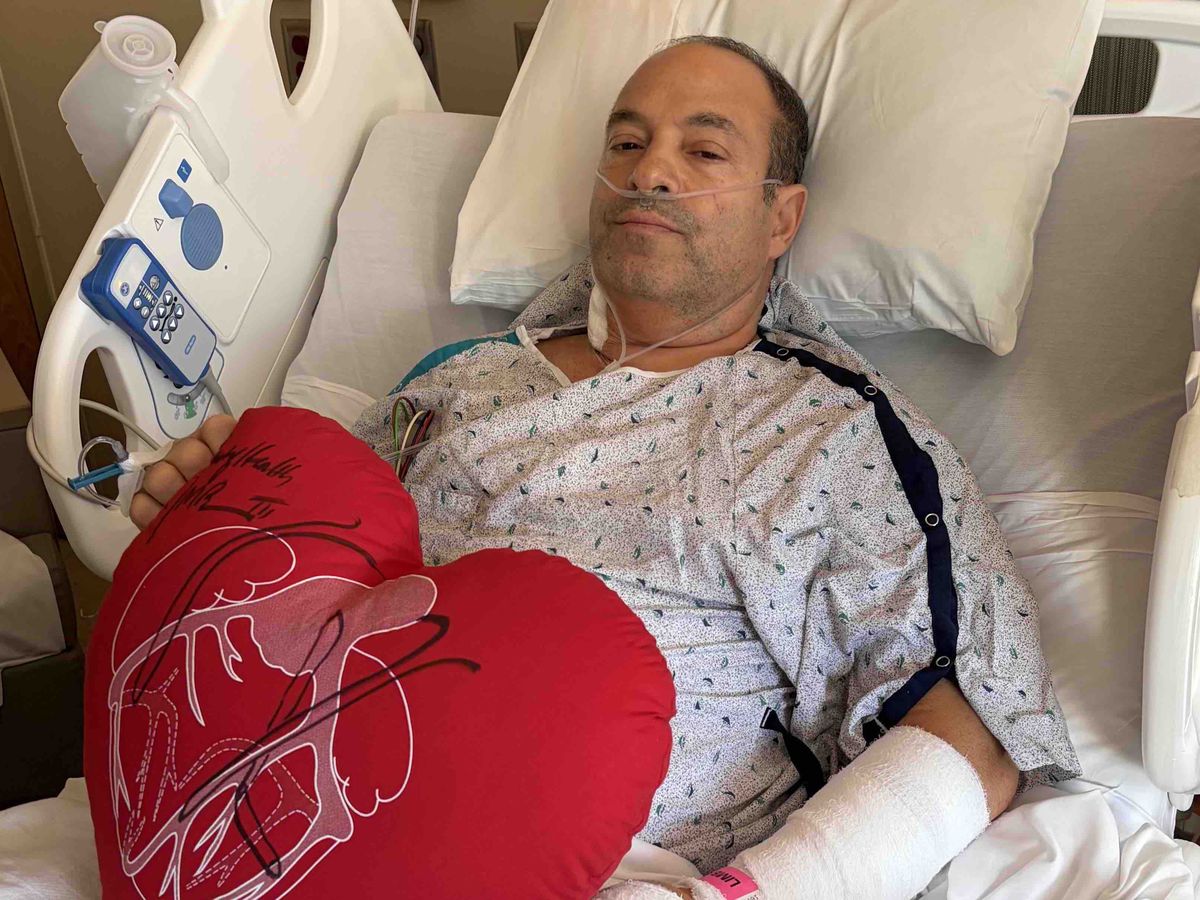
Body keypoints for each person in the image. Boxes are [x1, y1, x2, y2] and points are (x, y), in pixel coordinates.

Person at [130, 36, 1078, 898]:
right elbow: (306, 573)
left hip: (605, 868)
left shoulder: (823, 433)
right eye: (627, 144)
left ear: (781, 218)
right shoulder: (457, 383)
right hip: (305, 821)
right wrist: (218, 513)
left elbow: (970, 734)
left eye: (704, 152)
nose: (650, 171)